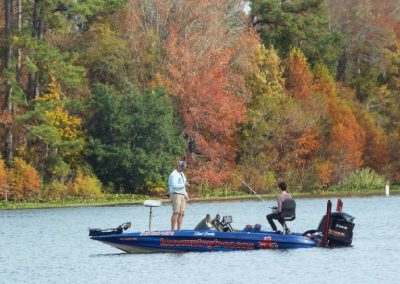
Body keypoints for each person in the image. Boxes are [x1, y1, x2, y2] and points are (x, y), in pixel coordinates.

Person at [168, 160, 190, 231]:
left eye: (183, 168)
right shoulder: (173, 174)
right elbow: (174, 186)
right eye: (181, 167)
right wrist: (184, 184)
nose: (183, 169)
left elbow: (183, 186)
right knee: (176, 212)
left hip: (182, 194)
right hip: (175, 194)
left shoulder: (182, 174)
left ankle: (179, 230)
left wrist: (186, 194)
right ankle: (172, 230)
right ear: (178, 166)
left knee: (182, 213)